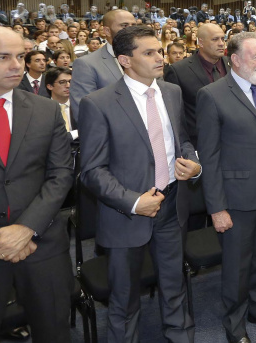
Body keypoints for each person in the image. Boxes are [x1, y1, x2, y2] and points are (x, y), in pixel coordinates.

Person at [80, 25, 200, 343]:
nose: (160, 58)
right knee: (124, 296)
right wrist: (134, 202)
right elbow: (92, 170)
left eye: (159, 50)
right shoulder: (99, 103)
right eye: (149, 53)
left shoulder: (172, 93)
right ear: (125, 60)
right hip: (126, 213)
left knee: (174, 284)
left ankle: (181, 336)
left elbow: (183, 141)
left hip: (173, 204)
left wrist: (194, 164)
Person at [0, 26, 73, 343]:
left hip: (42, 246)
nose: (17, 65)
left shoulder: (46, 110)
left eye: (20, 56)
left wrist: (25, 229)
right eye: (3, 57)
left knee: (54, 332)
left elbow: (61, 175)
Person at [196, 32, 256, 342]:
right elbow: (209, 158)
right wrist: (217, 207)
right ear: (235, 60)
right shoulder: (212, 95)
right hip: (235, 200)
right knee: (237, 268)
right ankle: (235, 326)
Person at [162, 23, 228, 147]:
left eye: (223, 39)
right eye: (215, 39)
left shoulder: (232, 64)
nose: (221, 43)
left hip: (233, 142)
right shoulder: (179, 71)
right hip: (199, 145)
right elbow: (175, 115)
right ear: (201, 43)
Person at [70, 9, 135, 124]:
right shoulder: (86, 64)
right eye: (124, 25)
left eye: (134, 25)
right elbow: (85, 113)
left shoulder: (148, 59)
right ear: (107, 31)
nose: (131, 30)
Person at [44, 66, 78, 141]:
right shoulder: (41, 109)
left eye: (70, 82)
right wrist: (77, 133)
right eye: (62, 82)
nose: (68, 86)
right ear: (50, 86)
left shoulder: (80, 105)